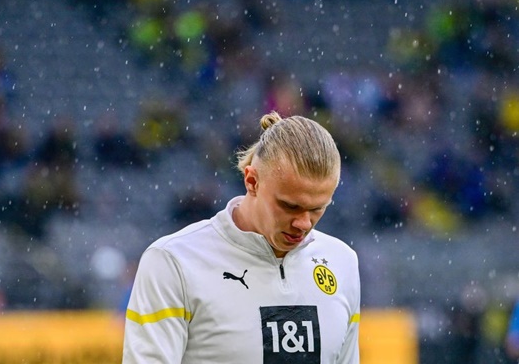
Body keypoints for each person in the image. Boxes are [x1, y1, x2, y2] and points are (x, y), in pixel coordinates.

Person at [123, 111, 361, 363]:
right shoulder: (173, 262)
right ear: (252, 181)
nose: (303, 223)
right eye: (290, 206)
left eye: (317, 208)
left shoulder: (341, 261)